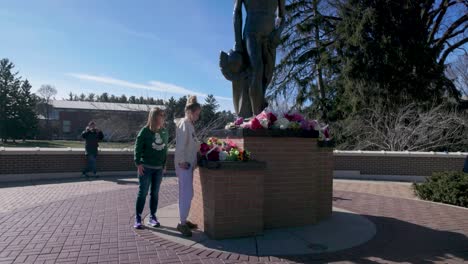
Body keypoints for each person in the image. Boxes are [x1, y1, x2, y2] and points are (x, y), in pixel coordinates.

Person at [233, 0, 286, 115]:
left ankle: (259, 108)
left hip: (271, 37)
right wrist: (238, 43)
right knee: (257, 70)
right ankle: (257, 118)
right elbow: (237, 13)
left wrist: (278, 32)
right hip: (251, 32)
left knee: (267, 75)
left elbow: (282, 17)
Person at [133, 107, 169, 229]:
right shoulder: (145, 131)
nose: (163, 117)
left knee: (155, 193)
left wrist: (164, 164)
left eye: (163, 115)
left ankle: (152, 217)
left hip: (158, 169)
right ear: (154, 117)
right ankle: (138, 217)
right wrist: (138, 163)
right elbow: (137, 148)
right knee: (143, 193)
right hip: (146, 167)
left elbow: (165, 149)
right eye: (161, 115)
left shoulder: (164, 131)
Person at [174, 96, 202, 237]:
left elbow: (192, 144)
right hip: (184, 165)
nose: (198, 116)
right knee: (186, 194)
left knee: (187, 193)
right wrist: (181, 161)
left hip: (188, 164)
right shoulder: (184, 124)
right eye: (197, 113)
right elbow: (180, 146)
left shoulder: (189, 124)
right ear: (190, 112)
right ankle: (182, 223)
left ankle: (184, 220)